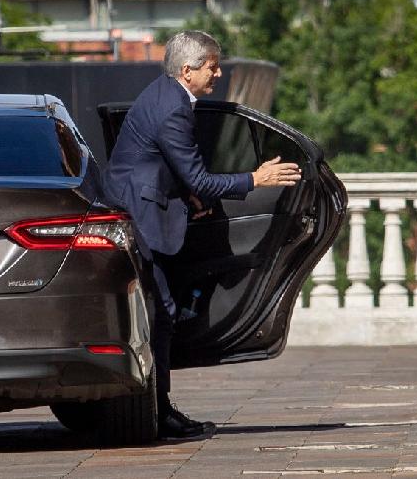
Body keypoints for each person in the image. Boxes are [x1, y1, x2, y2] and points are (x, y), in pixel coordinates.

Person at [103, 30, 301, 439]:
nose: (218, 72)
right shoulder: (174, 109)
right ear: (187, 69)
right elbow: (198, 176)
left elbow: (165, 166)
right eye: (212, 65)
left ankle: (158, 409)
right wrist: (255, 178)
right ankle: (157, 414)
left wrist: (185, 194)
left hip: (143, 205)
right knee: (161, 316)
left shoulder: (166, 95)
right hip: (141, 217)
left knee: (162, 314)